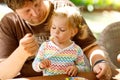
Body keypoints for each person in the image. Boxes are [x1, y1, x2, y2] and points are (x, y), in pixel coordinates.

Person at [0, 0, 112, 79]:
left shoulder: (65, 10)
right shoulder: (10, 23)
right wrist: (21, 53)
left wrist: (99, 61)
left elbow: (91, 47)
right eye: (27, 11)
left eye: (36, 4)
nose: (35, 12)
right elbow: (3, 74)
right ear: (15, 11)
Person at [32, 6, 90, 76]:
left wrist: (77, 68)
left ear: (73, 32)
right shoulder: (45, 46)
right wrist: (40, 65)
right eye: (53, 28)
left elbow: (86, 68)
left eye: (62, 29)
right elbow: (35, 65)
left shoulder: (76, 49)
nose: (56, 32)